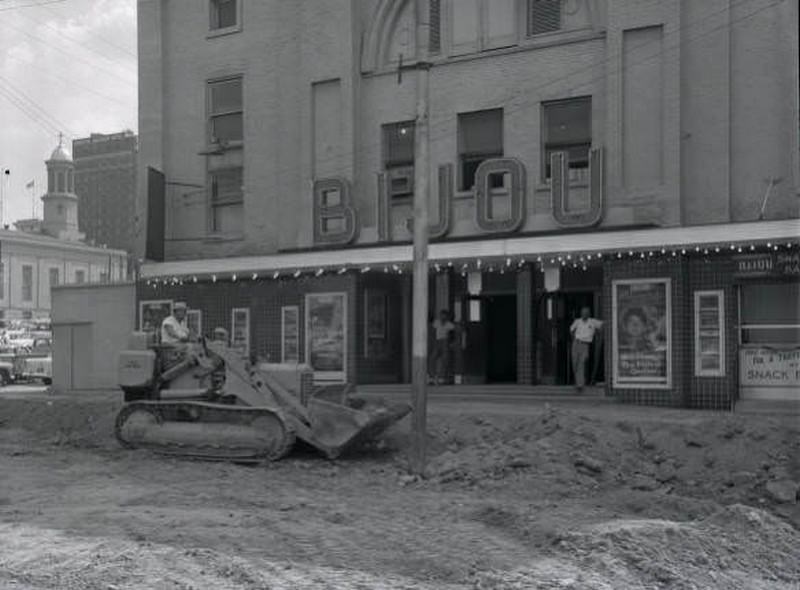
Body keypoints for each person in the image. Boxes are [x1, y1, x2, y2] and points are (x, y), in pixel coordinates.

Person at [569, 306, 603, 392]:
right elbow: (571, 330)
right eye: (583, 312)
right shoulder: (577, 321)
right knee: (575, 363)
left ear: (589, 314)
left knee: (581, 363)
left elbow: (604, 325)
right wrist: (574, 340)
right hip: (576, 343)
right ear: (581, 313)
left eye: (586, 313)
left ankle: (580, 385)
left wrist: (599, 333)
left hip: (585, 345)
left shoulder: (593, 322)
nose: (584, 314)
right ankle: (578, 382)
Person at [430, 309, 455, 385]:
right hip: (437, 341)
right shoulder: (436, 322)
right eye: (441, 315)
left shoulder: (449, 324)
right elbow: (432, 332)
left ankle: (442, 378)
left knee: (445, 360)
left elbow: (453, 334)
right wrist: (432, 342)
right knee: (432, 359)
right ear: (440, 316)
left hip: (445, 342)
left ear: (447, 316)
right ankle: (432, 377)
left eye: (444, 315)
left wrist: (451, 343)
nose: (442, 317)